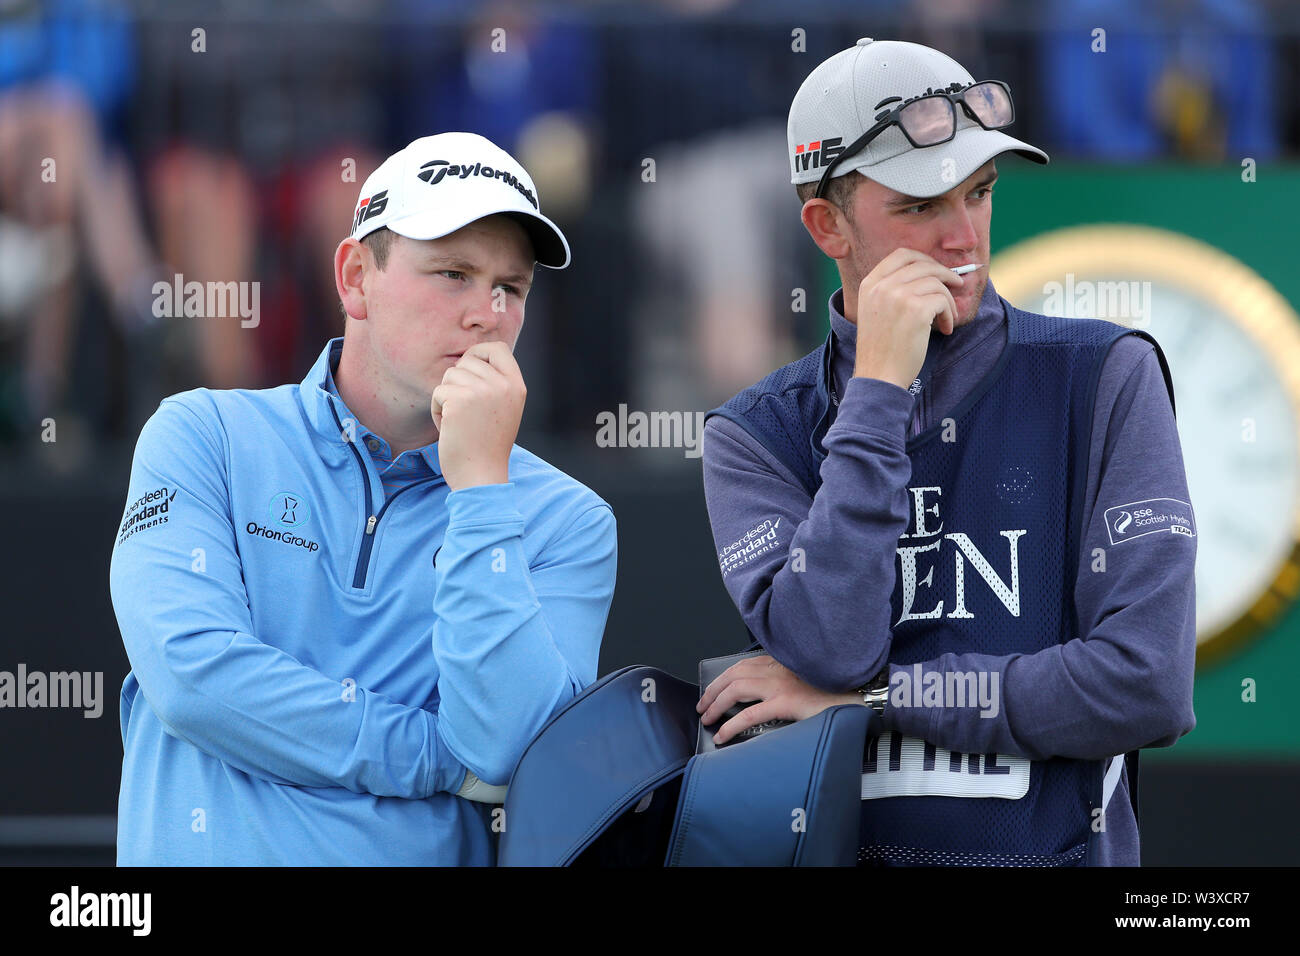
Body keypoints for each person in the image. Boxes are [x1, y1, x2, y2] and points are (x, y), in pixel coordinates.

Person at [697, 38, 1196, 866]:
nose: (963, 236)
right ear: (827, 225)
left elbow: (1144, 686)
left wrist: (880, 698)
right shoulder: (754, 434)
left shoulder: (1106, 373)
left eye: (980, 191)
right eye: (921, 205)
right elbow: (830, 645)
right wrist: (879, 390)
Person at [109, 132, 618, 865]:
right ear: (355, 278)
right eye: (453, 272)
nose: (488, 313)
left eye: (510, 287)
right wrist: (438, 758)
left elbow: (509, 752)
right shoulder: (204, 434)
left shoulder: (567, 520)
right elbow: (192, 676)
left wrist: (480, 487)